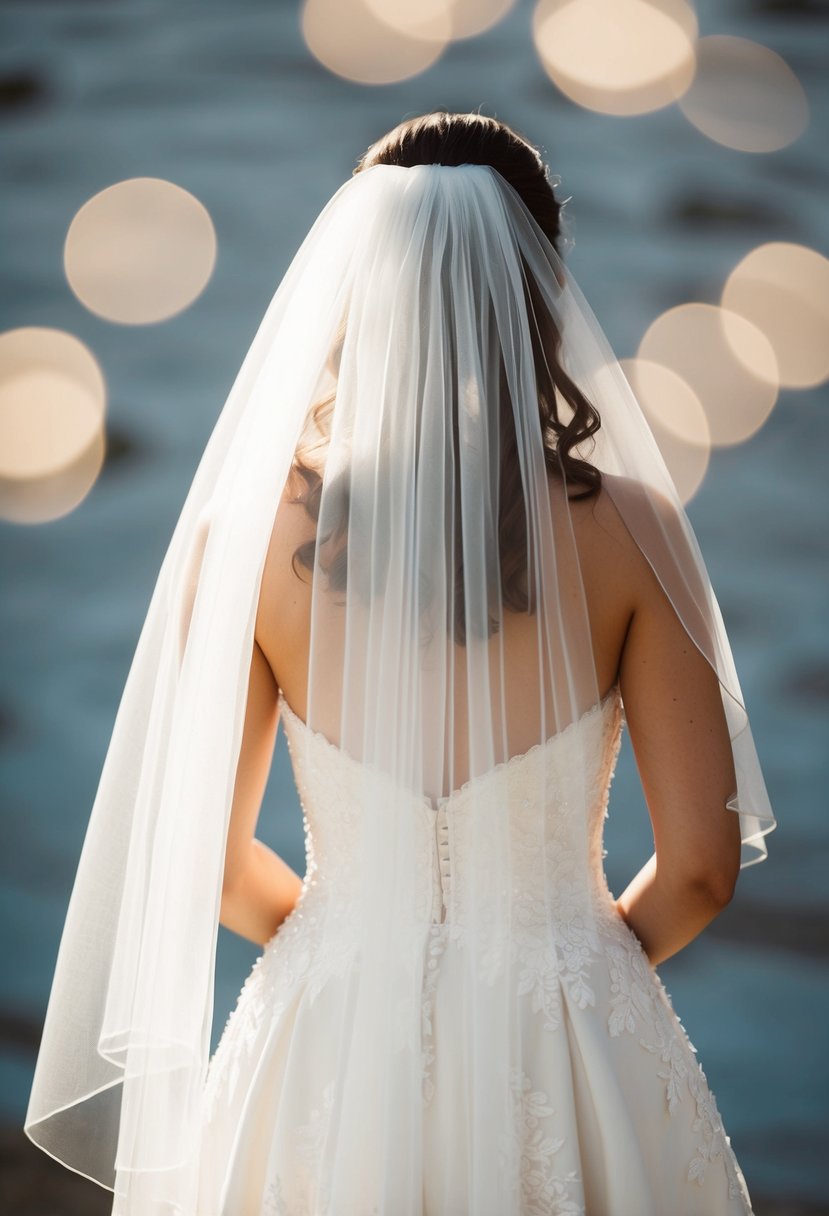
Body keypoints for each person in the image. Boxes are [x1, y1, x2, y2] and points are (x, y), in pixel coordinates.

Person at [25, 112, 776, 1215]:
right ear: (538, 289)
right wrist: (574, 965)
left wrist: (344, 940)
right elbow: (704, 866)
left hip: (324, 1028)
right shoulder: (632, 530)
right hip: (563, 1028)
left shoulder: (250, 536)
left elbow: (211, 862)